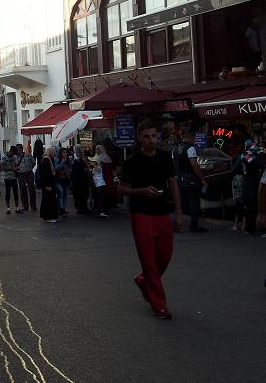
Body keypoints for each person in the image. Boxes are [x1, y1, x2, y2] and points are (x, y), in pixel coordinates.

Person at [118, 120, 183, 320]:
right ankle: (159, 304)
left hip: (162, 213)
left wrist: (179, 213)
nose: (151, 140)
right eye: (146, 136)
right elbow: (121, 189)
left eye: (154, 136)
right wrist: (141, 191)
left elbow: (173, 184)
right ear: (139, 137)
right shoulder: (132, 162)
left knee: (164, 257)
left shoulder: (164, 158)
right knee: (149, 261)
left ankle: (143, 280)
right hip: (141, 214)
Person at [174, 131, 208, 232]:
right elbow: (194, 164)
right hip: (191, 179)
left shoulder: (176, 148)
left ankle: (177, 223)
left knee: (182, 202)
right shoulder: (190, 148)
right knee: (194, 202)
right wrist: (202, 178)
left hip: (180, 178)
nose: (195, 139)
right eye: (194, 137)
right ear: (189, 137)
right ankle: (194, 225)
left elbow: (174, 163)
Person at [39, 147, 59, 222]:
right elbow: (44, 174)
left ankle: (50, 216)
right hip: (47, 184)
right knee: (48, 201)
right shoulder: (46, 161)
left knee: (51, 200)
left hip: (50, 183)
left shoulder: (49, 160)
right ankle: (48, 217)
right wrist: (46, 185)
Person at [15, 144, 37, 211]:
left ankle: (33, 206)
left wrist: (30, 168)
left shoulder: (27, 155)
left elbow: (33, 162)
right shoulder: (15, 157)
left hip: (29, 173)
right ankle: (25, 206)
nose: (18, 150)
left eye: (19, 149)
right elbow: (14, 165)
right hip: (21, 175)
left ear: (21, 149)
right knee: (22, 190)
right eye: (17, 149)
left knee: (32, 190)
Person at [0, 147, 21, 214]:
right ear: (10, 151)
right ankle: (8, 209)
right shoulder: (4, 157)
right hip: (7, 178)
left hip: (14, 177)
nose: (13, 155)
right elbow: (2, 168)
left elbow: (16, 164)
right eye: (13, 153)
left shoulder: (14, 157)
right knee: (7, 193)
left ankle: (17, 208)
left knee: (16, 193)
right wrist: (12, 169)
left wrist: (17, 168)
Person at [70, 146, 90, 213]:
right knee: (80, 194)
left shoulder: (78, 158)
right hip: (79, 180)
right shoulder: (76, 159)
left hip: (80, 180)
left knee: (82, 194)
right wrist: (84, 169)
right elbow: (78, 169)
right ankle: (81, 208)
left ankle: (82, 207)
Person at [89, 154, 109, 219]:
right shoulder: (93, 168)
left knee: (102, 199)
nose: (91, 162)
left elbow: (99, 170)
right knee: (99, 199)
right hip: (97, 185)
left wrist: (94, 165)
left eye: (92, 161)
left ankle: (103, 212)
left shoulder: (98, 167)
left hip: (101, 185)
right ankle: (102, 212)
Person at [54, 148, 71, 217]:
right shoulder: (58, 159)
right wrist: (62, 162)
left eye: (66, 152)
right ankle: (61, 209)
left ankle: (63, 208)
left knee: (65, 194)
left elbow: (70, 169)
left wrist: (68, 171)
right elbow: (55, 168)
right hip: (58, 179)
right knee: (60, 193)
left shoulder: (68, 160)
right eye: (63, 152)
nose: (65, 154)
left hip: (65, 179)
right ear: (60, 153)